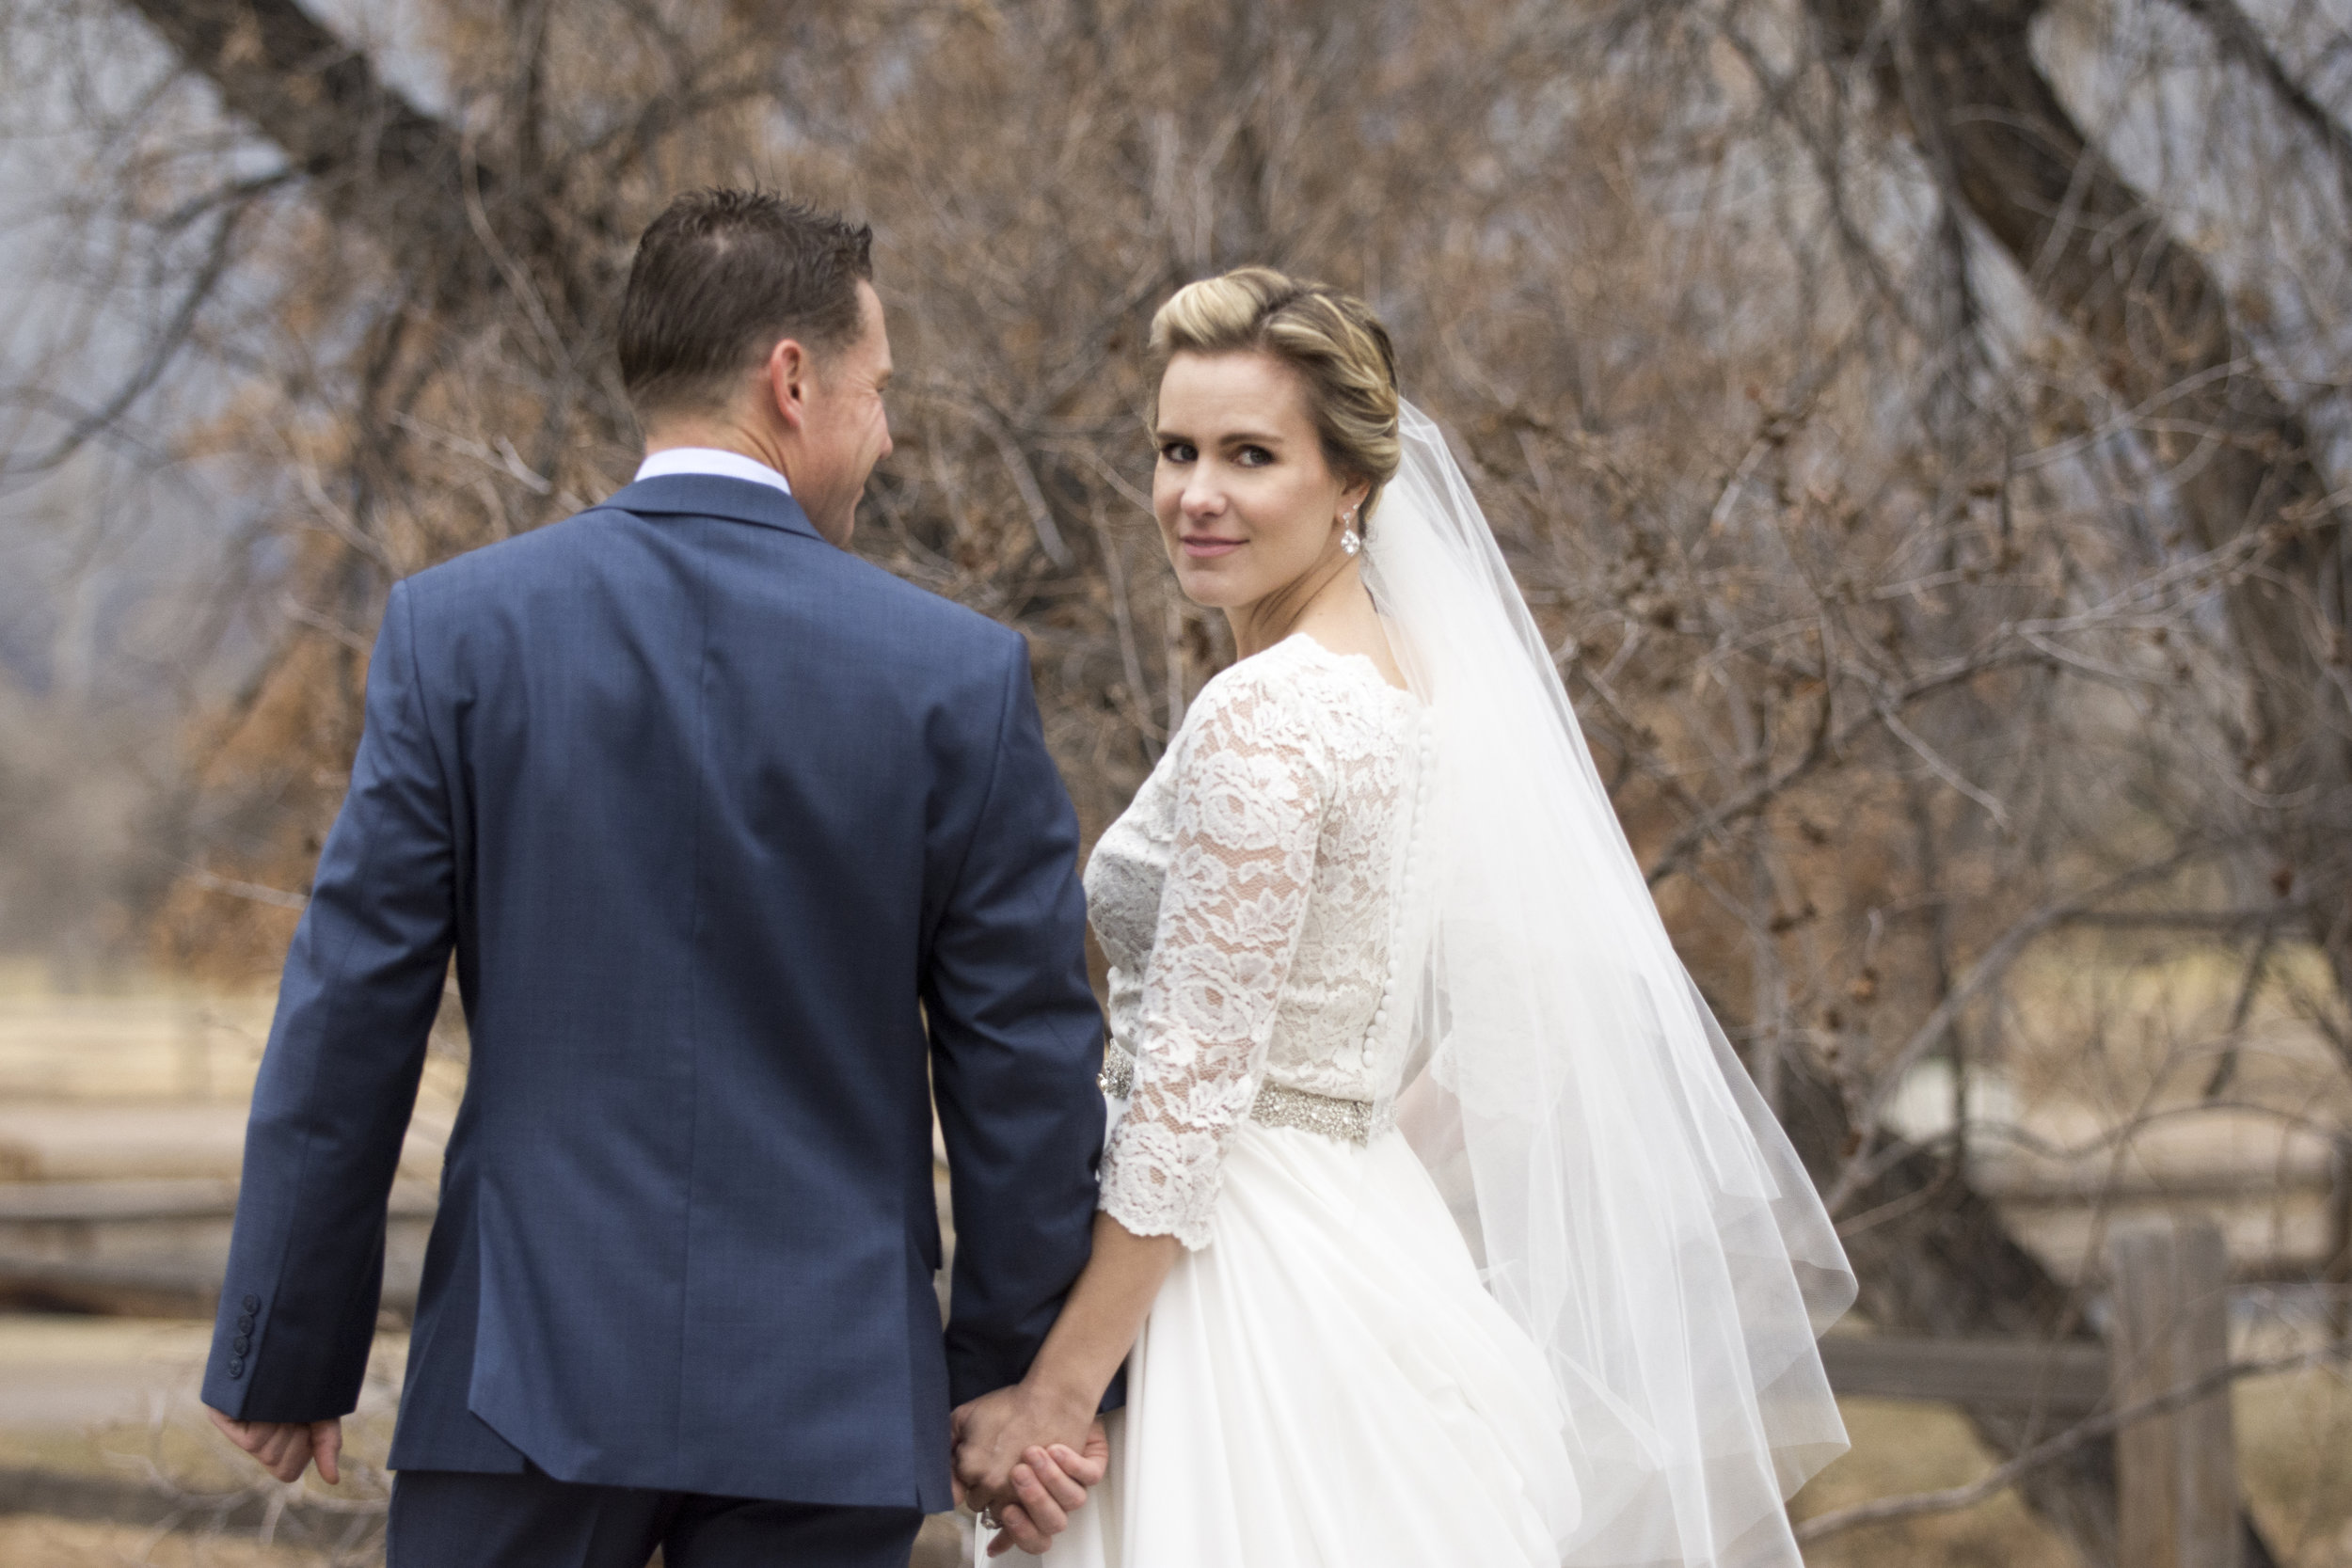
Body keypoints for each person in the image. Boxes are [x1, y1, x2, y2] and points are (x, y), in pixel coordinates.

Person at [199, 189, 1110, 1568]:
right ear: (789, 382)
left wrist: (288, 1348)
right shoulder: (956, 677)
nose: (889, 433)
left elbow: (349, 1014)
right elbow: (1024, 1067)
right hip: (827, 1403)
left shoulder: (459, 633)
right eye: (879, 393)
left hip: (518, 1382)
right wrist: (1008, 1382)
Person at [952, 269, 1857, 1566]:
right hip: (1379, 1239)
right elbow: (1517, 1039)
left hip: (1227, 1278)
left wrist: (1057, 1392)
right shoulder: (1424, 696)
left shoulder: (1264, 716)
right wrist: (1350, 1168)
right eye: (1174, 450)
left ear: (1353, 485)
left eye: (1249, 455)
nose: (1195, 493)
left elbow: (1193, 1091)